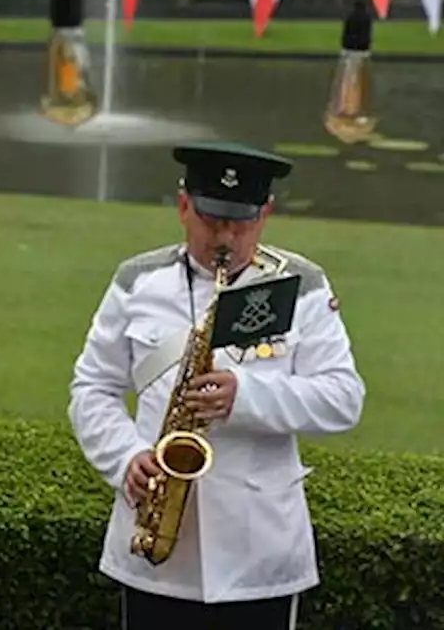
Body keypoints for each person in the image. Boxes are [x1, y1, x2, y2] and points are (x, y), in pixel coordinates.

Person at [68, 142, 366, 629]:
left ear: (265, 214)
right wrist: (123, 457)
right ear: (184, 207)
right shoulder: (137, 281)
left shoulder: (303, 286)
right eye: (211, 220)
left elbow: (343, 400)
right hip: (155, 555)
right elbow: (92, 387)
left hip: (259, 555)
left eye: (241, 222)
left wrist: (244, 397)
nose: (225, 236)